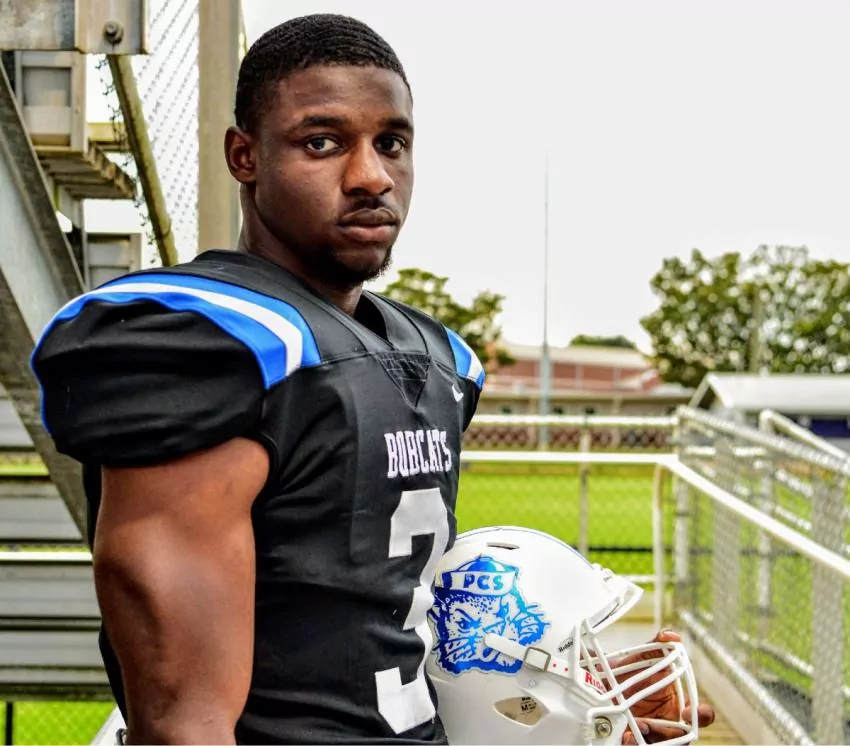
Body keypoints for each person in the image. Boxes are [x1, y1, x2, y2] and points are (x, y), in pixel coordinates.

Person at [31, 14, 714, 745]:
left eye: (392, 143)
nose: (372, 177)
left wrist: (556, 711)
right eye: (322, 143)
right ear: (245, 155)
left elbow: (381, 634)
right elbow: (183, 724)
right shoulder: (217, 347)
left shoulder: (437, 357)